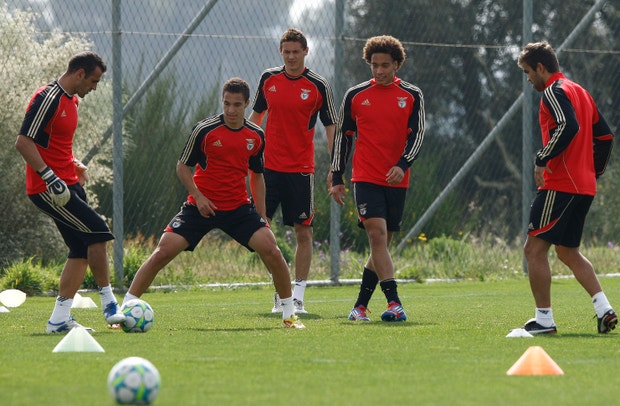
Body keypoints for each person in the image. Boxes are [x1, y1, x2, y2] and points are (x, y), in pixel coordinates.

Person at [122, 78, 305, 329]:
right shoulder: (204, 130)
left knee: (272, 251)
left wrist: (262, 214)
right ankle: (125, 309)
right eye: (226, 103)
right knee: (162, 252)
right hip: (201, 207)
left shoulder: (256, 136)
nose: (231, 110)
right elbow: (182, 167)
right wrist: (198, 197)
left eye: (237, 105)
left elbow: (257, 175)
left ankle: (289, 315)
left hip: (238, 209)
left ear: (247, 104)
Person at [15, 51, 126, 333]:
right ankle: (110, 304)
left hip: (68, 184)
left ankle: (58, 320)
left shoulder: (71, 100)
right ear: (79, 74)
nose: (95, 87)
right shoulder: (47, 98)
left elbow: (54, 143)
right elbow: (24, 142)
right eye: (93, 81)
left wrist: (74, 164)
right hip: (48, 188)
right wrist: (50, 176)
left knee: (80, 249)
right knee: (98, 232)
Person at [517, 41, 616, 335]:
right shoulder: (581, 92)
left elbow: (567, 125)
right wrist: (592, 171)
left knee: (534, 249)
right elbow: (606, 137)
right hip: (584, 186)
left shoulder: (553, 91)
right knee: (567, 251)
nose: (528, 79)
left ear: (541, 68)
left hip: (560, 185)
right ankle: (604, 309)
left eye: (528, 72)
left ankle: (544, 320)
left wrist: (542, 158)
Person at [330, 35, 425, 322]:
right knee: (377, 236)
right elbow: (343, 138)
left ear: (397, 65)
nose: (379, 70)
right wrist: (337, 175)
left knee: (380, 246)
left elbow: (418, 135)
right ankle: (394, 303)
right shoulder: (355, 95)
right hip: (365, 177)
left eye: (385, 65)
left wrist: (403, 164)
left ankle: (359, 307)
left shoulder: (412, 95)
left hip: (397, 180)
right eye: (374, 65)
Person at [249, 28, 337, 314]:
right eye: (286, 52)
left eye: (296, 52)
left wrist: (335, 166)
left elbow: (331, 126)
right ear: (280, 52)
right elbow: (255, 119)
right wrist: (243, 152)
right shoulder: (268, 79)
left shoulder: (318, 85)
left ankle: (297, 296)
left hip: (300, 170)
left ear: (305, 52)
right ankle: (281, 291)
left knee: (303, 232)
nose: (290, 57)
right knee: (259, 231)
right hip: (267, 170)